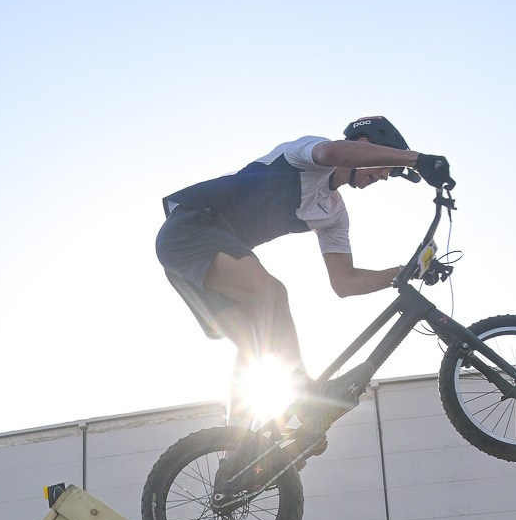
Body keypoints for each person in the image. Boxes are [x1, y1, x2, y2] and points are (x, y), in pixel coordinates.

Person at [155, 119, 452, 421]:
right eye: (385, 165)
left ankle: (235, 450)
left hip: (201, 260)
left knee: (253, 344)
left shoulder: (333, 213)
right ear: (364, 145)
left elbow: (345, 282)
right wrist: (416, 160)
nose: (385, 176)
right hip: (190, 229)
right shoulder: (306, 154)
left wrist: (407, 271)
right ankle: (305, 398)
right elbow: (334, 154)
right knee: (273, 294)